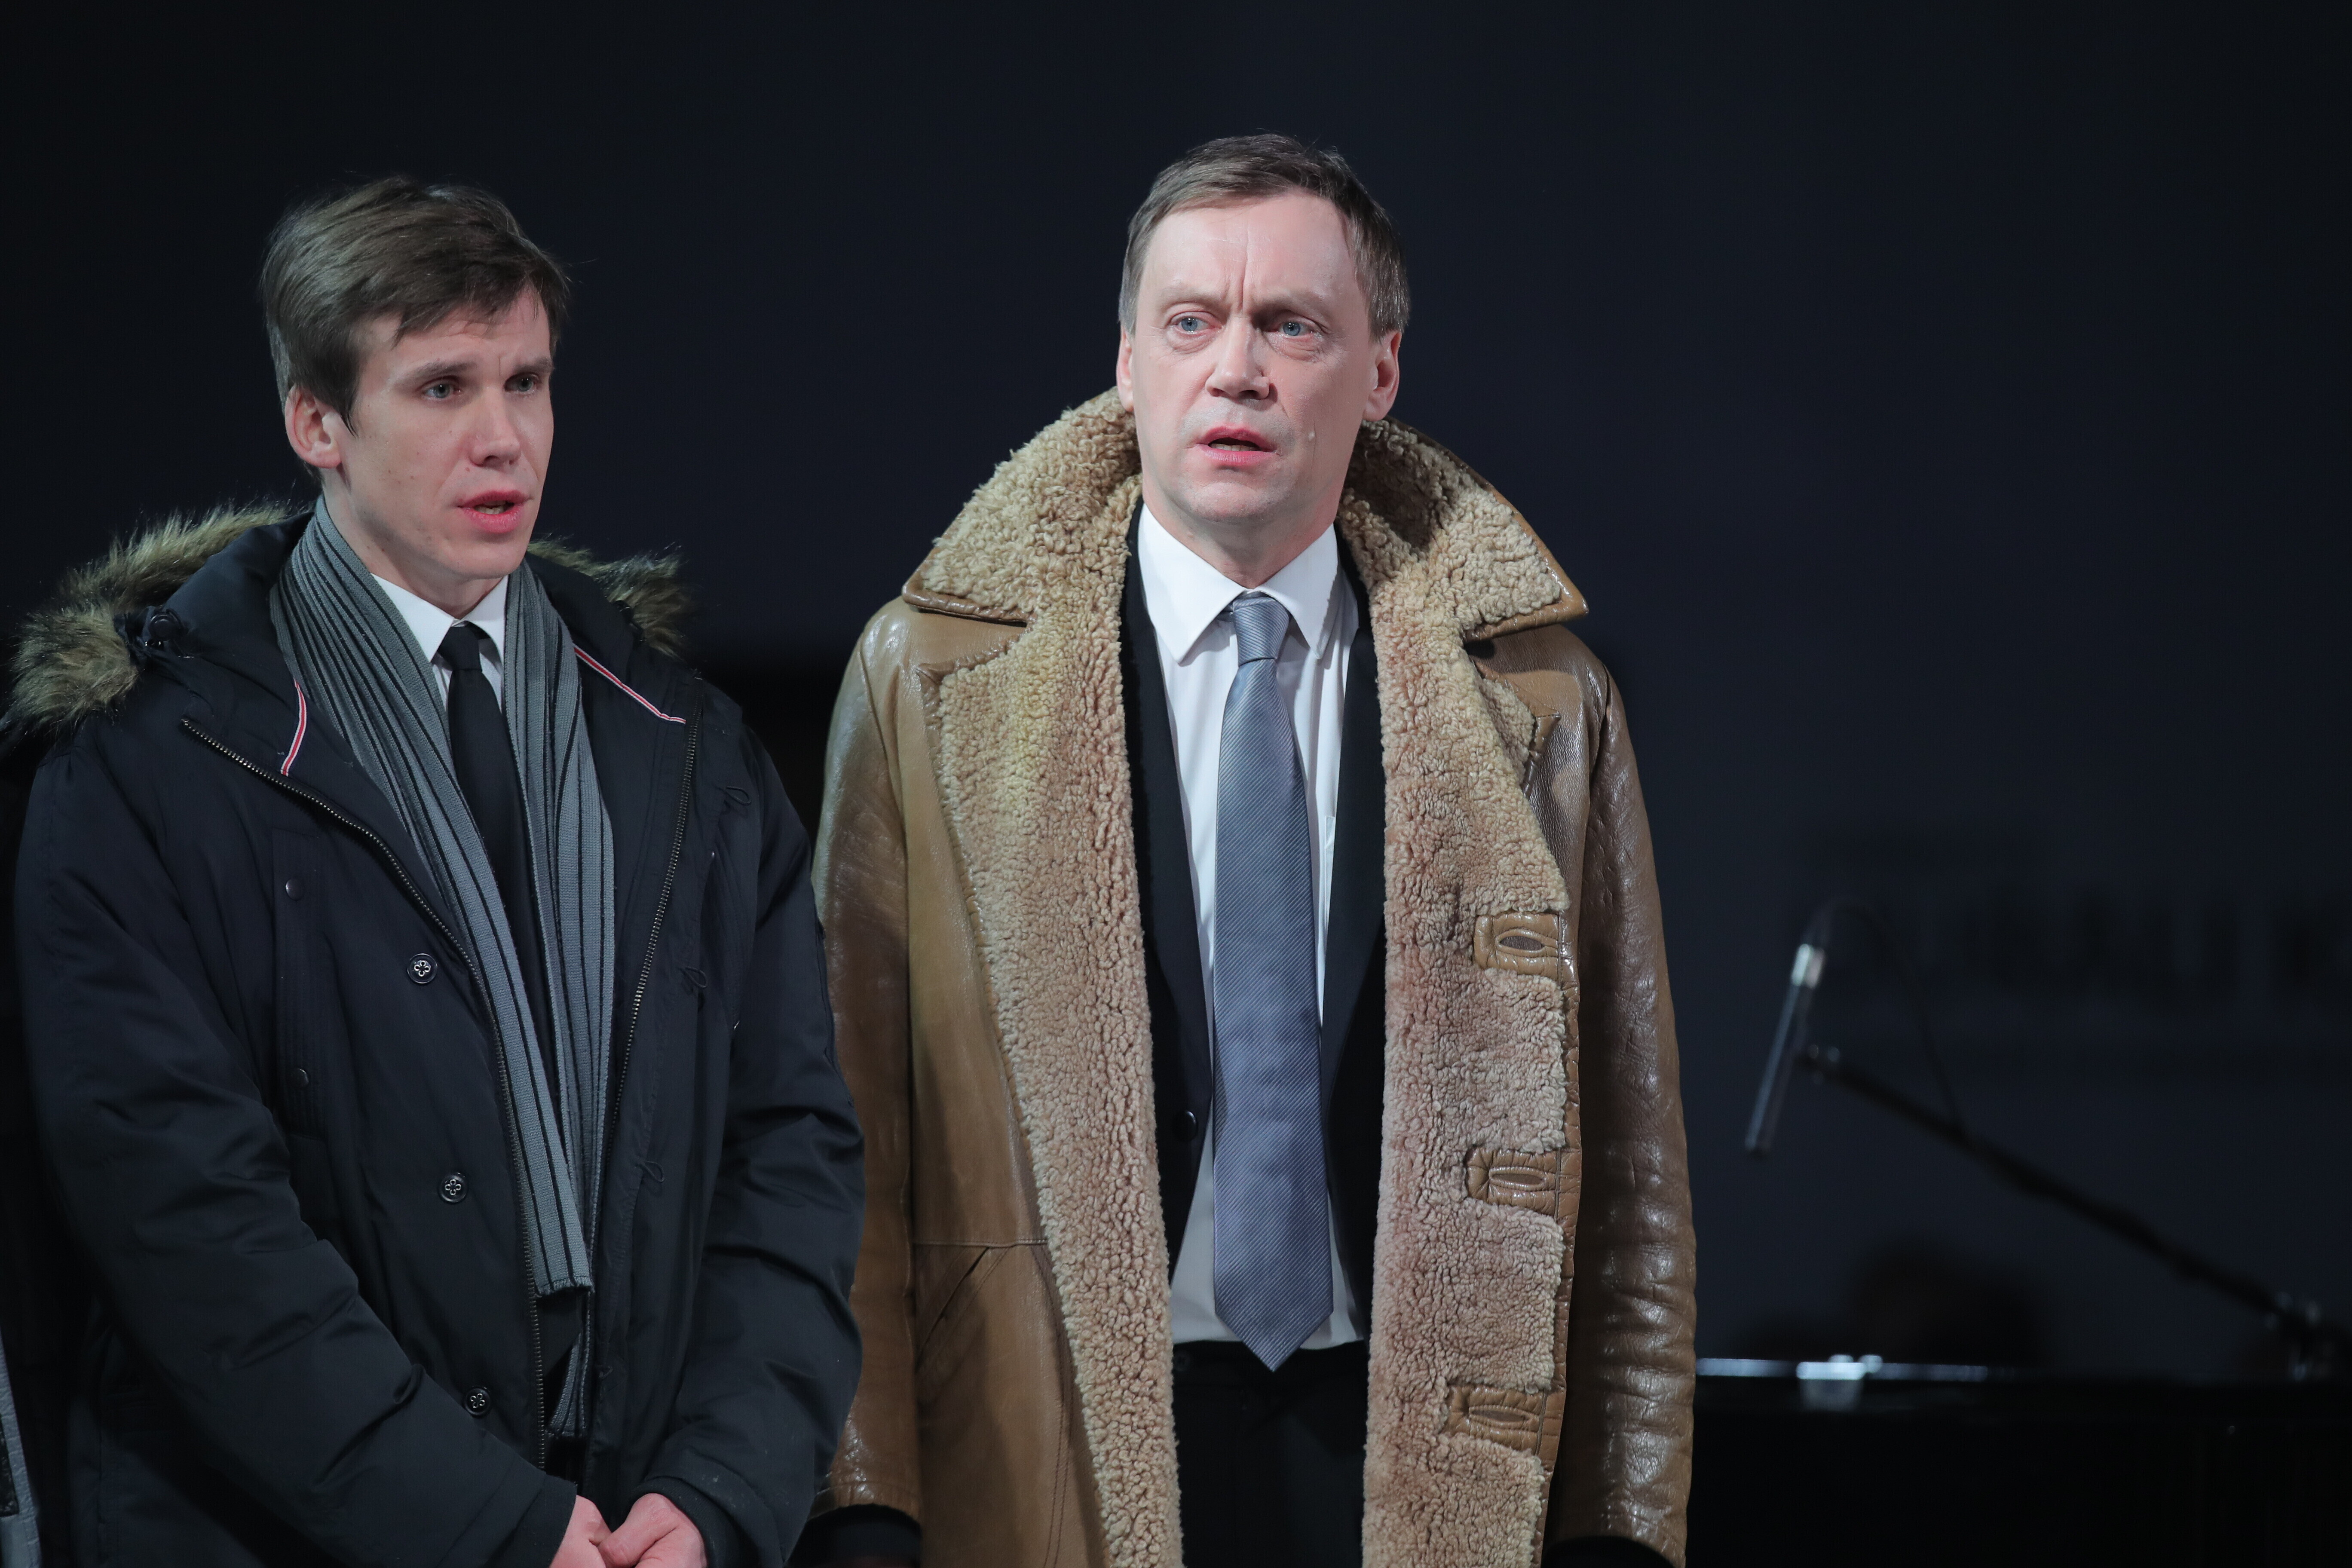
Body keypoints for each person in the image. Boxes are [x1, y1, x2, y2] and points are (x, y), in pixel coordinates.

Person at [802, 135, 1694, 1568]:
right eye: (1190, 322)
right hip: (1051, 1449)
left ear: (1381, 373)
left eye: (1291, 325)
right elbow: (845, 1131)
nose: (1236, 370)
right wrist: (863, 1503)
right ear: (1126, 364)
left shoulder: (1540, 697)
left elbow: (1632, 1163)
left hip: (1412, 1457)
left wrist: (1622, 1530)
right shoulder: (933, 676)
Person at [1, 178, 863, 1567]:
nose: (504, 436)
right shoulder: (148, 770)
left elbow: (791, 1158)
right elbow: (190, 1227)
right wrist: (490, 1528)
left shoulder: (683, 744)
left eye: (527, 381)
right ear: (317, 424)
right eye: (444, 387)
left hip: (635, 1529)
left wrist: (718, 1492)